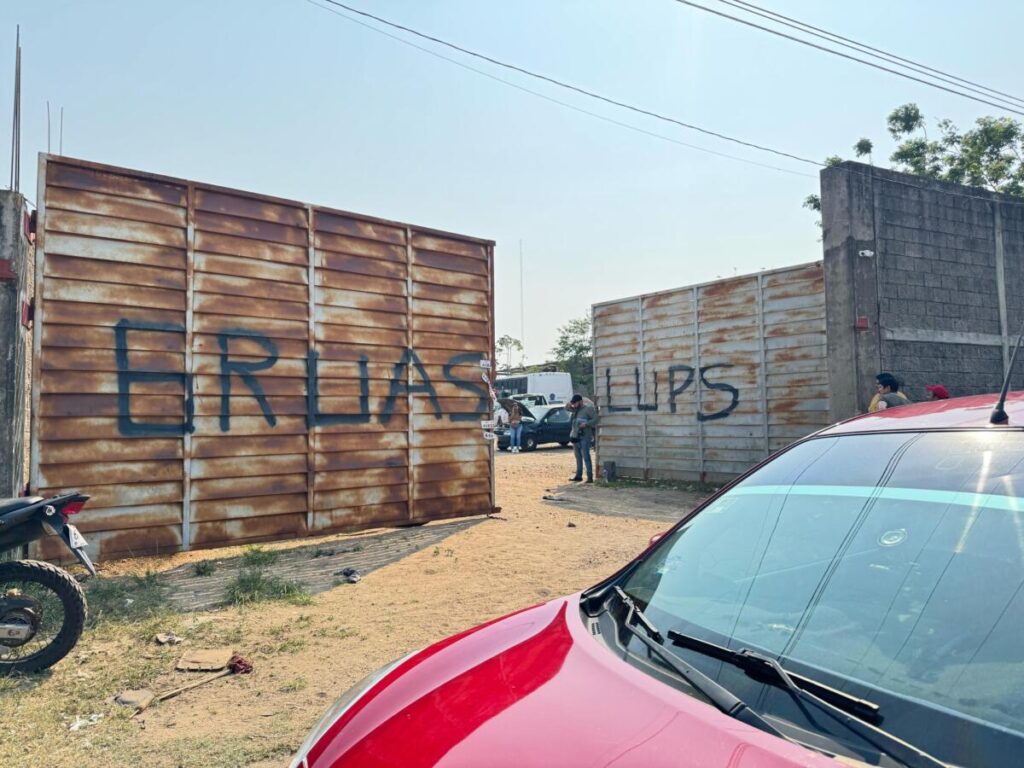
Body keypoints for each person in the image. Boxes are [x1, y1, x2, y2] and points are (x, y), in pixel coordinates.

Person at [567, 394, 599, 483]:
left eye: (575, 403)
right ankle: (578, 476)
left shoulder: (588, 409)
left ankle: (589, 477)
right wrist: (571, 404)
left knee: (586, 457)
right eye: (573, 403)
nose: (574, 405)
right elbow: (566, 407)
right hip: (575, 436)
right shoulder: (575, 410)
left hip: (585, 436)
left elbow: (596, 419)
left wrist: (586, 424)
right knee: (578, 457)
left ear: (581, 402)